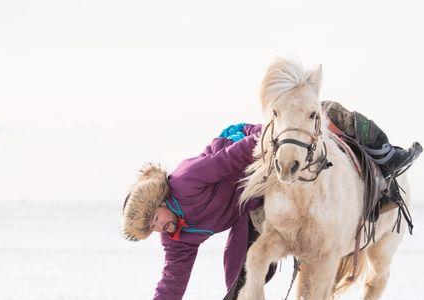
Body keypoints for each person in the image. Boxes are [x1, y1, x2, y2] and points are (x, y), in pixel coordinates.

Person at [122, 104, 421, 300]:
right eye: (153, 229)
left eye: (154, 220)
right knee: (238, 285)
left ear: (159, 201)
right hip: (246, 207)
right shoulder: (176, 237)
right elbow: (172, 283)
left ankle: (386, 158)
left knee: (328, 111)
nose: (159, 227)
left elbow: (229, 159)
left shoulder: (186, 179)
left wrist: (270, 142)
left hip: (251, 152)